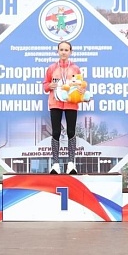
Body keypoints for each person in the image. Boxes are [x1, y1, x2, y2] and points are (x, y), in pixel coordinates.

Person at [42, 41, 82, 175]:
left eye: (66, 50)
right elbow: (45, 85)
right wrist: (49, 86)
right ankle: (55, 164)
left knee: (71, 131)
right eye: (61, 50)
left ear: (71, 52)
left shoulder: (75, 69)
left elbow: (79, 86)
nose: (64, 52)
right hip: (55, 103)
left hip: (71, 103)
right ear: (57, 51)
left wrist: (81, 91)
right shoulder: (52, 68)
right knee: (56, 132)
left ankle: (71, 164)